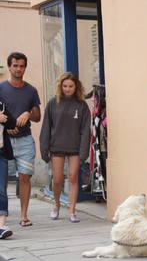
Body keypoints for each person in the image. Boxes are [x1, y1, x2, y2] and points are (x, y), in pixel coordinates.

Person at [39, 72, 91, 223]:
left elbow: (85, 130)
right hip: (57, 147)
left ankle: (72, 212)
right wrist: (44, 149)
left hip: (74, 147)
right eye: (65, 86)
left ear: (76, 87)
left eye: (71, 86)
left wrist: (83, 152)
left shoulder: (82, 106)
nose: (67, 89)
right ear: (60, 86)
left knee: (73, 177)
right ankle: (56, 205)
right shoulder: (52, 103)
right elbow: (46, 128)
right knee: (57, 180)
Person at [0, 52, 41, 227]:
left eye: (22, 66)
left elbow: (37, 117)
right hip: (4, 141)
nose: (19, 69)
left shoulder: (31, 90)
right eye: (15, 65)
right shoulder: (1, 88)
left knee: (24, 177)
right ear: (9, 67)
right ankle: (3, 218)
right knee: (3, 180)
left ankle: (24, 216)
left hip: (25, 140)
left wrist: (27, 113)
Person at [0, 101, 17, 239]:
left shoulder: (1, 105)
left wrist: (4, 118)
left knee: (1, 189)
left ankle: (1, 226)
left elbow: (12, 123)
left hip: (1, 153)